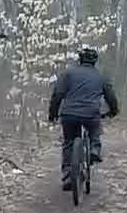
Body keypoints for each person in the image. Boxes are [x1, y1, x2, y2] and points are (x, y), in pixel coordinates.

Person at [47, 47, 119, 190]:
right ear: (95, 61)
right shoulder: (101, 76)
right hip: (91, 113)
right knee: (94, 129)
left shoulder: (68, 73)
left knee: (69, 142)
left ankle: (68, 174)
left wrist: (53, 113)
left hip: (69, 114)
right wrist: (113, 111)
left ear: (80, 60)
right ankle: (94, 149)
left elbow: (57, 95)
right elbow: (111, 97)